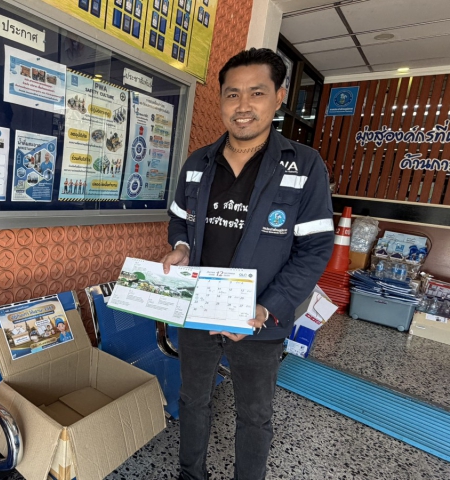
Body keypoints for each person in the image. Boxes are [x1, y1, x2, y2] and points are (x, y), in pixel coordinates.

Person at [161, 48, 334, 480]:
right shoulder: (198, 163)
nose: (242, 105)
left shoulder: (304, 166)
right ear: (221, 99)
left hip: (261, 319)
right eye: (232, 94)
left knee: (254, 415)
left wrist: (266, 307)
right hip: (199, 311)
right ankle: (190, 474)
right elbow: (179, 221)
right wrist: (181, 247)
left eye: (256, 93)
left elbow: (314, 248)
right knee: (192, 400)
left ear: (279, 97)